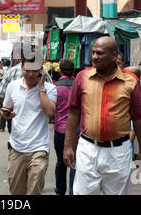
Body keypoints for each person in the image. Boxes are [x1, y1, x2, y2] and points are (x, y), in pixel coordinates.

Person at [63, 36, 141, 195]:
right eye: (93, 52)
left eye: (99, 53)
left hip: (118, 152)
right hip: (87, 149)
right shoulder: (82, 77)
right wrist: (68, 146)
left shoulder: (131, 82)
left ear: (114, 56)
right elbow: (74, 113)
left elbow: (138, 118)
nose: (94, 56)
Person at [0, 51, 57, 195]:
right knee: (16, 191)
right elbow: (6, 108)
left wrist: (41, 88)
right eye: (27, 70)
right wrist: (6, 114)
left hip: (39, 148)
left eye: (35, 70)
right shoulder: (13, 86)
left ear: (41, 70)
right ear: (22, 67)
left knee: (34, 190)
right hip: (17, 147)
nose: (31, 74)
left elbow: (50, 113)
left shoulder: (50, 89)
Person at [0, 48, 53, 133]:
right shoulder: (44, 72)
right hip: (26, 117)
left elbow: (1, 94)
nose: (31, 74)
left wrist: (11, 107)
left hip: (26, 117)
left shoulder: (12, 71)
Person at [53, 59, 76, 195]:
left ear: (60, 71)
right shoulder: (78, 86)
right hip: (76, 132)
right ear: (73, 71)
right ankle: (74, 191)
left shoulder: (55, 87)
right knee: (75, 162)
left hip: (60, 130)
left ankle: (60, 190)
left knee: (60, 161)